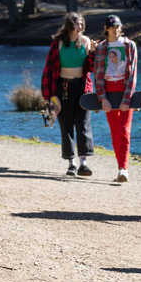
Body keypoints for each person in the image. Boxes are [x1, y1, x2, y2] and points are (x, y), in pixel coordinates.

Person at [40, 12, 95, 177]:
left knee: (84, 124)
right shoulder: (58, 43)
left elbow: (92, 68)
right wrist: (48, 97)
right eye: (76, 24)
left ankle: (83, 163)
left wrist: (93, 53)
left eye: (81, 24)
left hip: (82, 88)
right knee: (66, 125)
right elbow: (48, 70)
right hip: (62, 89)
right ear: (69, 25)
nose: (79, 27)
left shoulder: (85, 42)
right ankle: (71, 163)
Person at [93, 14, 138, 183]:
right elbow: (98, 74)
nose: (116, 30)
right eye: (112, 27)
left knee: (124, 131)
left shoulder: (129, 45)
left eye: (118, 26)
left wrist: (127, 98)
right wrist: (102, 97)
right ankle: (120, 165)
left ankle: (123, 169)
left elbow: (133, 73)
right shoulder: (101, 48)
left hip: (125, 90)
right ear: (106, 29)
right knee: (115, 132)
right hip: (108, 90)